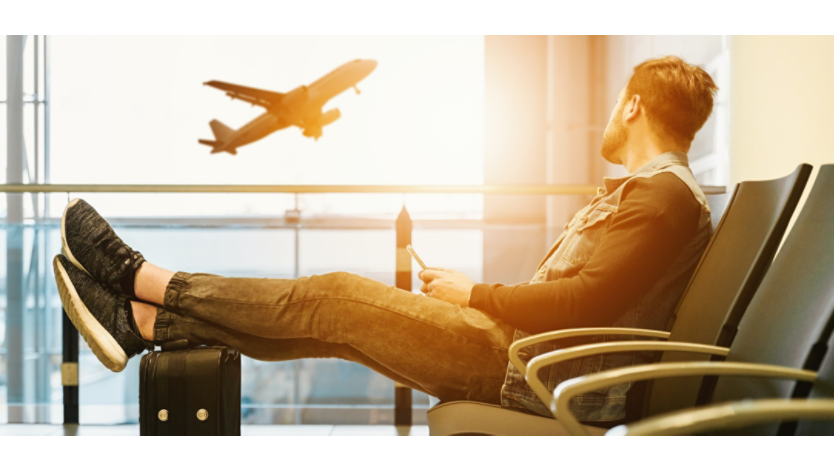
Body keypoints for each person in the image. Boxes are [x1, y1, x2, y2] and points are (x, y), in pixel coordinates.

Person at [54, 55, 717, 423]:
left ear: (631, 106)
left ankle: (142, 280)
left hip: (531, 373)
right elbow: (587, 300)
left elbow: (587, 305)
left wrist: (477, 293)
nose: (608, 117)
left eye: (614, 105)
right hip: (527, 359)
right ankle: (144, 323)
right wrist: (477, 298)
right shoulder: (652, 196)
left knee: (335, 297)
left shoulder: (661, 198)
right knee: (335, 327)